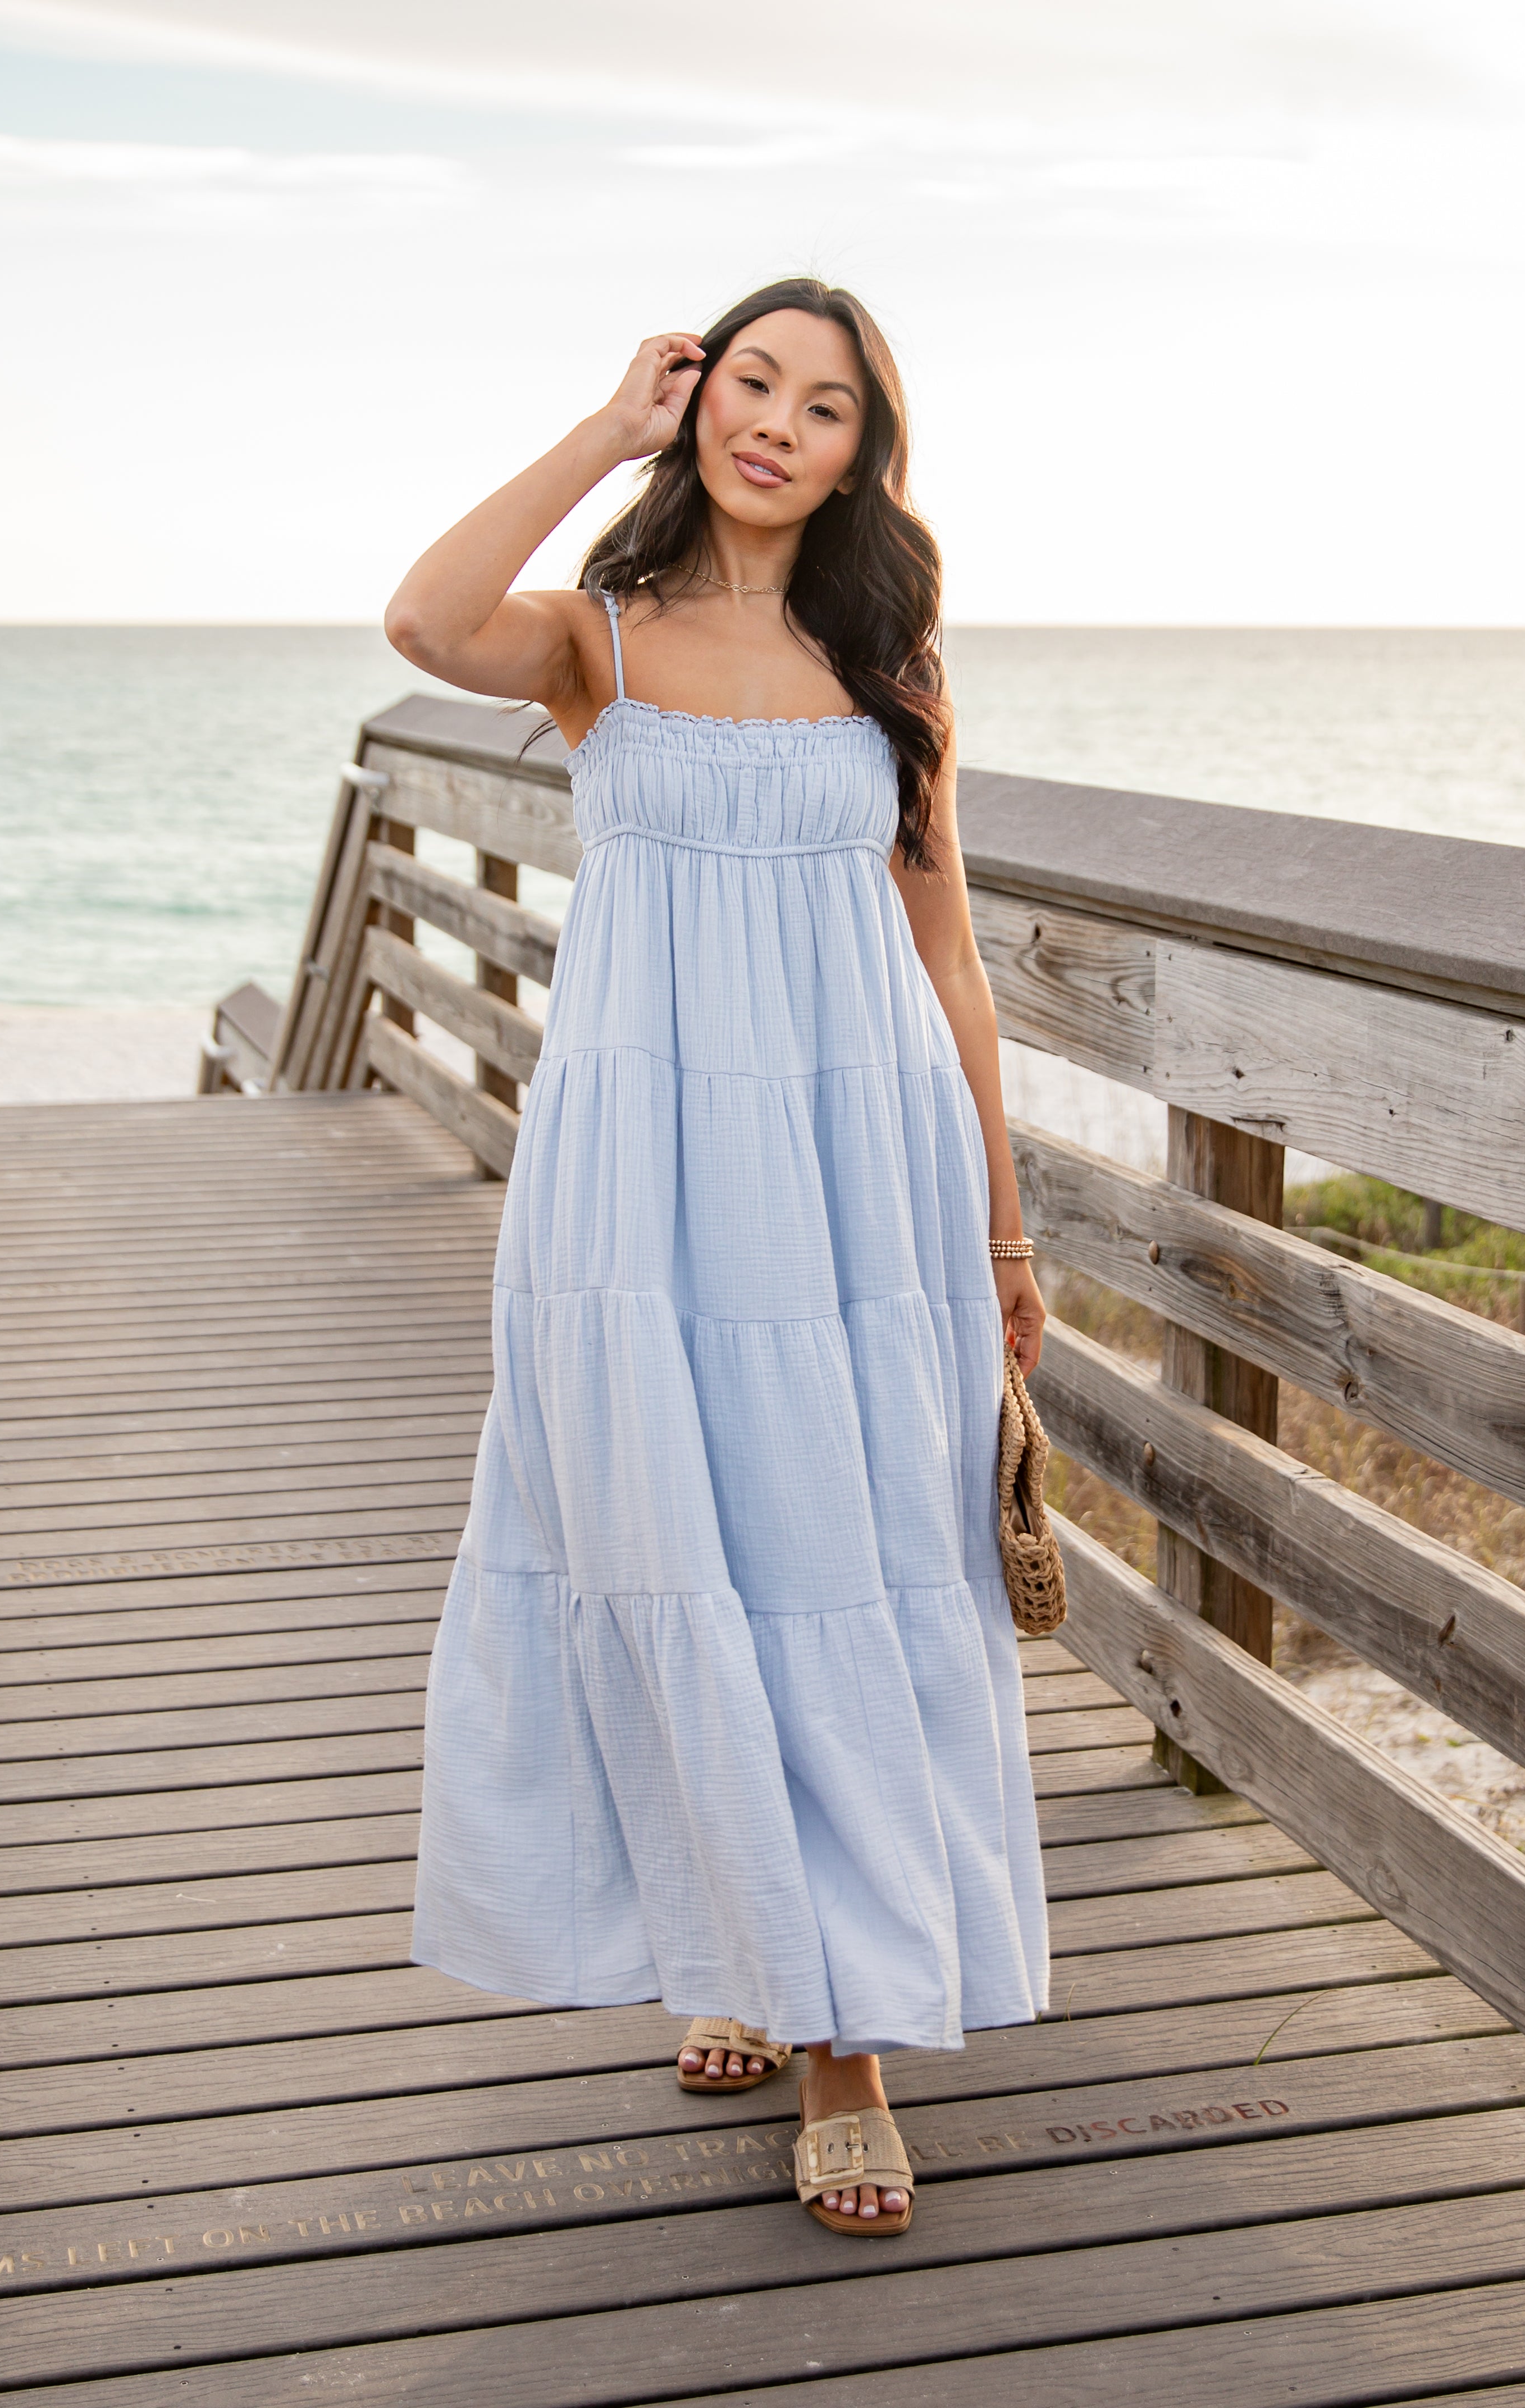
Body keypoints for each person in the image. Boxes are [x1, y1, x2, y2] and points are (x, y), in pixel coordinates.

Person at [386, 277, 1049, 2237]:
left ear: (865, 448)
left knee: (830, 1551)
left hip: (860, 1174)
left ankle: (837, 2044)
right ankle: (740, 1947)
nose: (775, 423)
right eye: (747, 384)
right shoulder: (597, 640)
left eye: (822, 403)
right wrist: (602, 430)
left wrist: (1003, 1221)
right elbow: (425, 621)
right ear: (695, 407)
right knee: (673, 1540)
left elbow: (949, 956)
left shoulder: (886, 652)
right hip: (640, 1176)